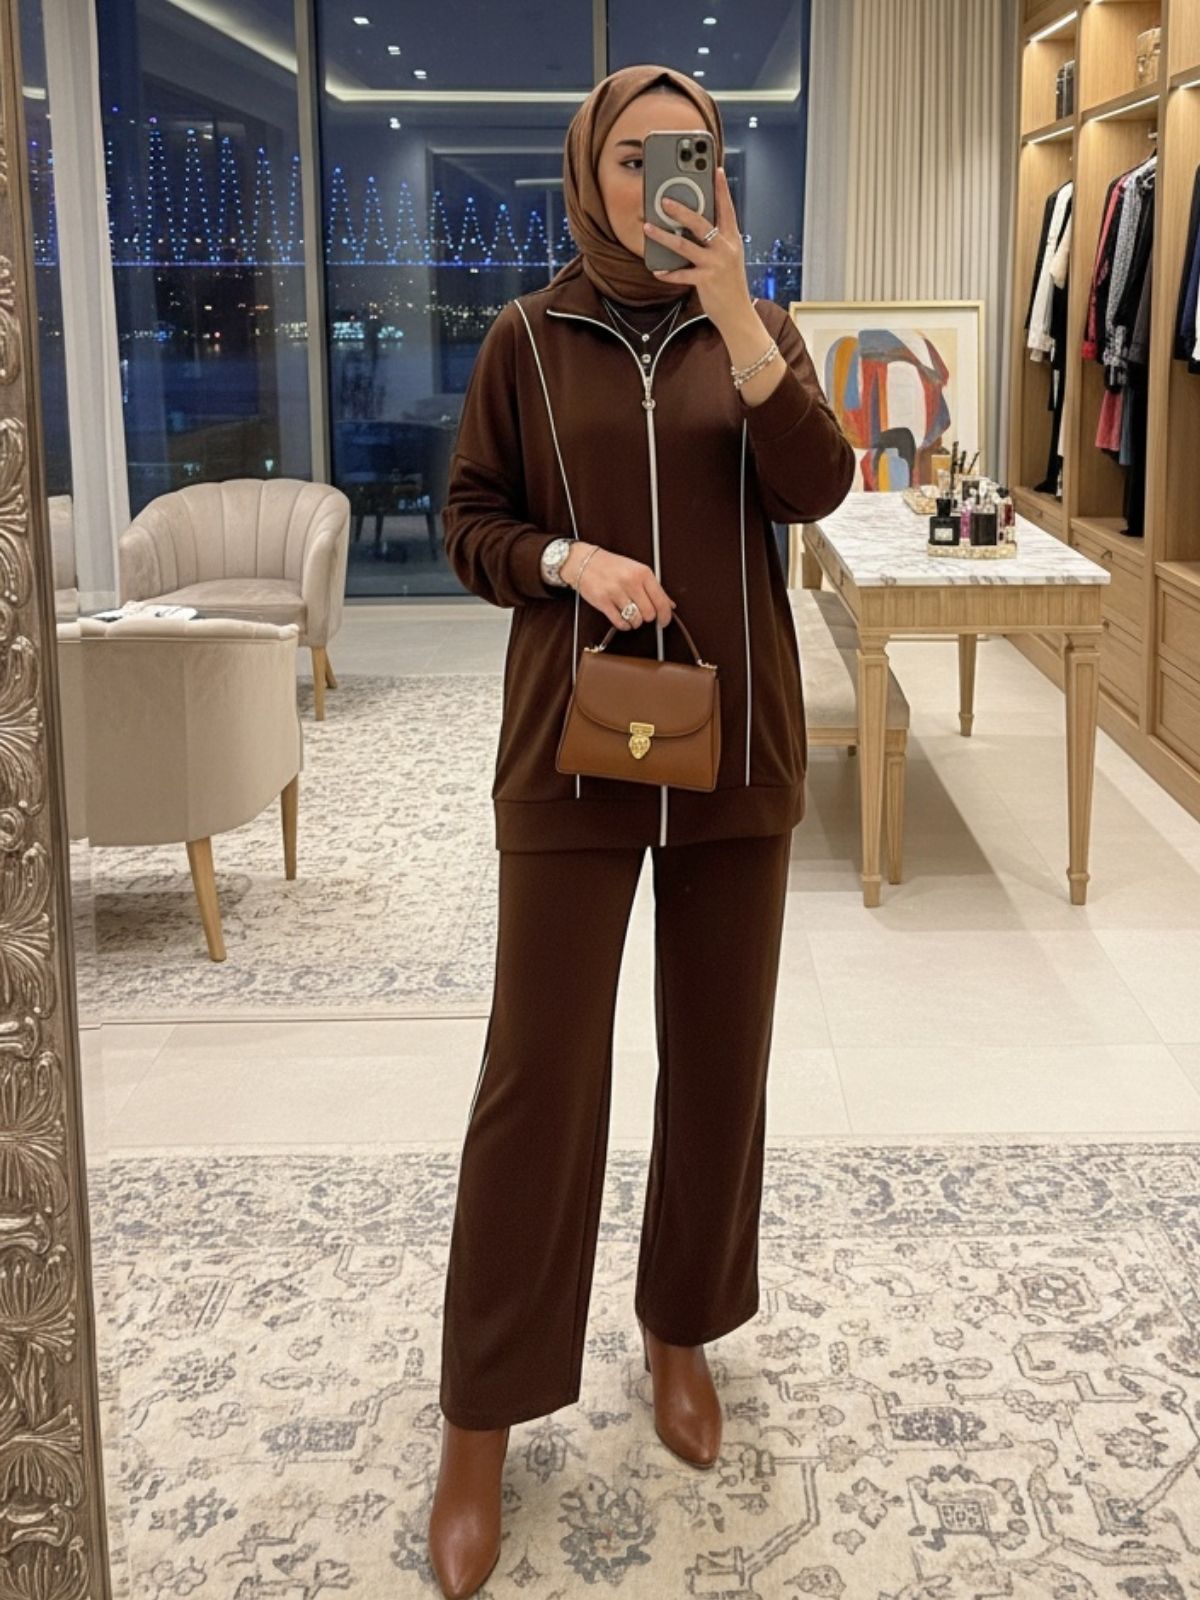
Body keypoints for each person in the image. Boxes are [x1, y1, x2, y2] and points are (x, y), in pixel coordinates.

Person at [427, 62, 855, 1599]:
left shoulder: (759, 327)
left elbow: (818, 487)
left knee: (721, 1060)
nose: (663, 177)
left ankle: (681, 1329)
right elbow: (470, 520)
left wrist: (741, 317)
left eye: (692, 152)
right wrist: (568, 561)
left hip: (736, 750)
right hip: (574, 745)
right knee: (538, 1077)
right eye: (633, 155)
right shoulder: (526, 338)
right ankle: (480, 1419)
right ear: (586, 173)